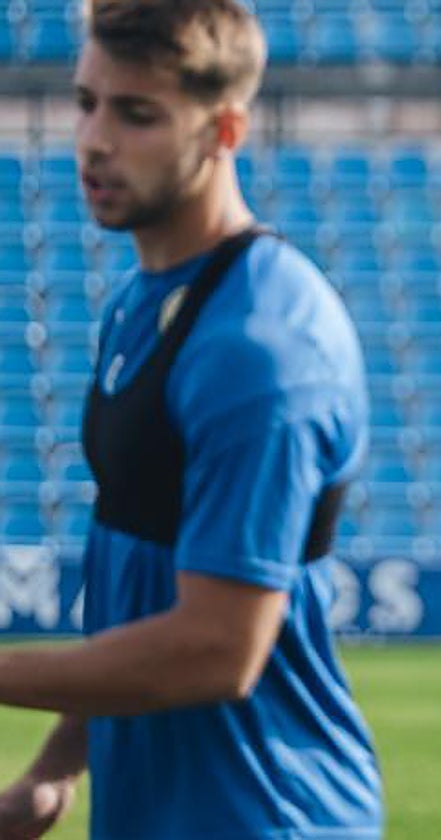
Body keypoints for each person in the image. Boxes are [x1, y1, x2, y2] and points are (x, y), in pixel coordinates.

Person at [0, 1, 382, 837]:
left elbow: (217, 647)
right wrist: (55, 769)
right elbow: (144, 575)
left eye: (137, 113)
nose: (94, 139)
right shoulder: (142, 302)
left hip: (267, 813)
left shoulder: (263, 348)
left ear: (225, 130)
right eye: (85, 102)